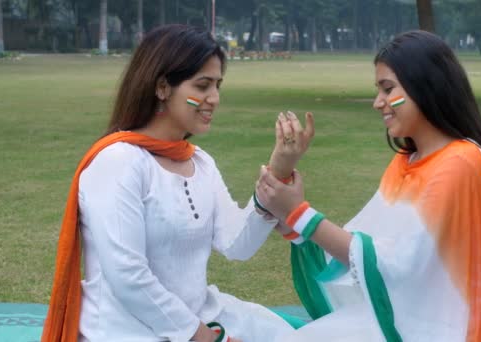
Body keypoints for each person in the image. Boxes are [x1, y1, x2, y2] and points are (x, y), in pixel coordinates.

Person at [41, 25, 313, 342]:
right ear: (162, 87)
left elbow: (237, 245)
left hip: (201, 318)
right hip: (127, 331)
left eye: (218, 85)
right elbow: (128, 277)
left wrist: (280, 169)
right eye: (202, 86)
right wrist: (207, 338)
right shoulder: (117, 163)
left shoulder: (200, 163)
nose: (214, 98)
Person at [257, 30, 481, 341]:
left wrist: (300, 215)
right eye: (378, 90)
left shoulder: (461, 163)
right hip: (398, 318)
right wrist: (295, 221)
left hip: (439, 329)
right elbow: (364, 246)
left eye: (388, 89)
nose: (377, 103)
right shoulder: (405, 162)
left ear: (426, 86)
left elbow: (393, 265)